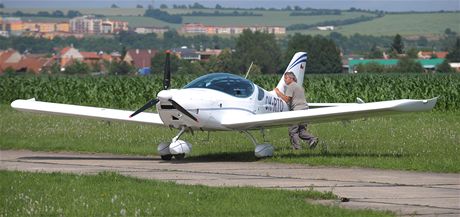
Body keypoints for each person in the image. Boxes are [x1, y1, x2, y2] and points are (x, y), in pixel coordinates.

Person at [274, 71, 318, 150]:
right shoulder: (299, 86)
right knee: (301, 131)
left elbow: (287, 99)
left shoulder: (291, 86)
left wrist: (278, 92)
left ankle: (297, 148)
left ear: (291, 78)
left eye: (286, 78)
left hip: (297, 110)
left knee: (292, 131)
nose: (285, 80)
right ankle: (312, 139)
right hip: (305, 109)